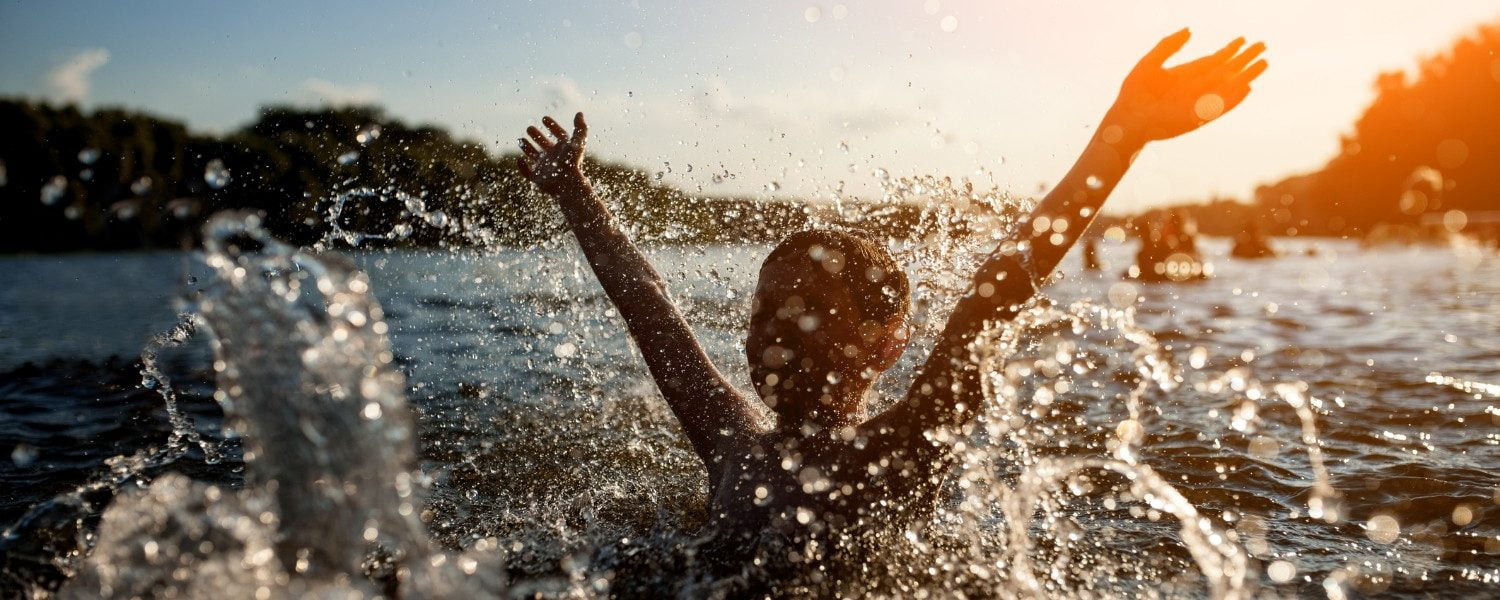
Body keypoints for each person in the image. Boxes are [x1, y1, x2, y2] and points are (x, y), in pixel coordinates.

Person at [516, 29, 1266, 578]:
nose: (773, 331)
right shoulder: (730, 440)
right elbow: (650, 309)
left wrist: (1122, 136)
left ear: (886, 343)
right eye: (764, 311)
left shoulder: (899, 451)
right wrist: (577, 195)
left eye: (806, 309)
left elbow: (997, 292)